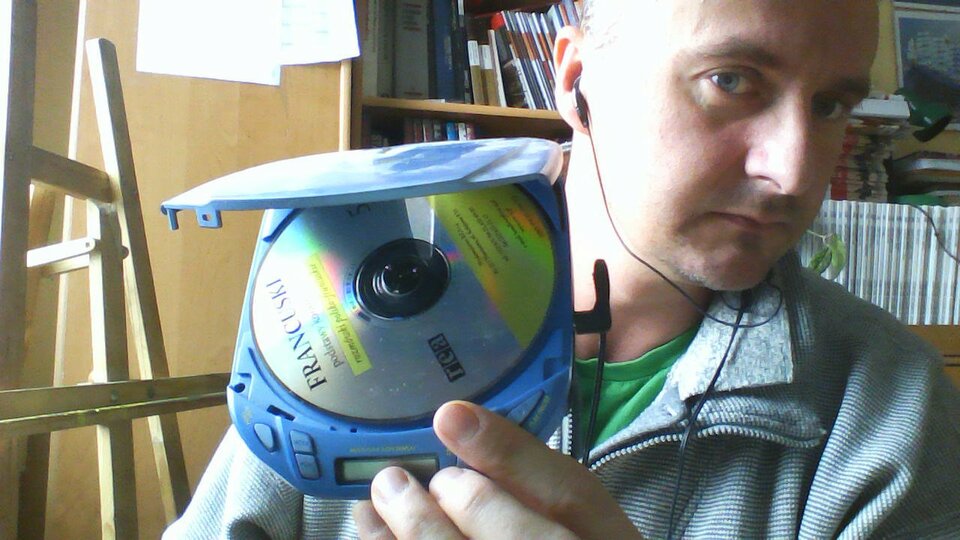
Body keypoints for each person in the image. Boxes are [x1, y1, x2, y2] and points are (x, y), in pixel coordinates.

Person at [164, 1, 960, 538]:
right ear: (577, 82)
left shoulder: (894, 411)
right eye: (731, 80)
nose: (792, 171)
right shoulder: (344, 292)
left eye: (830, 106)